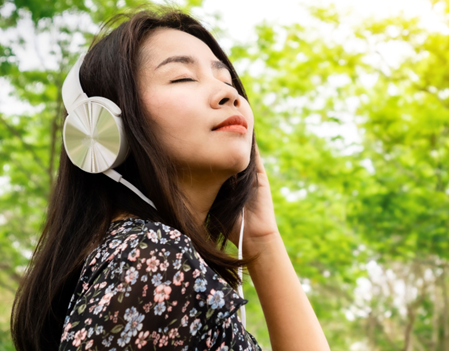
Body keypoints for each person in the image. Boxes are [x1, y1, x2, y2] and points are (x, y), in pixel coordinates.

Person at [10, 6, 331, 351]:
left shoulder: (149, 257)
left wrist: (262, 239)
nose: (230, 95)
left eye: (227, 80)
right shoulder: (153, 257)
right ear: (103, 127)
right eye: (182, 78)